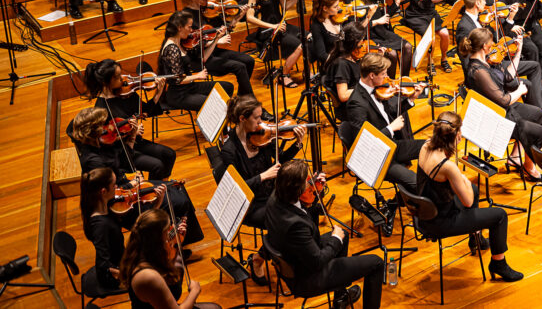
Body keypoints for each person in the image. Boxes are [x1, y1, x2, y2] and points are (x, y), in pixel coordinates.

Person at [415, 111, 525, 280]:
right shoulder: (447, 166)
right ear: (458, 134)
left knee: (473, 189)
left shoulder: (426, 145)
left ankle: (476, 238)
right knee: (500, 215)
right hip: (440, 222)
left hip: (425, 211)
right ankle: (498, 263)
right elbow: (468, 202)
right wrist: (462, 177)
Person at [70, 108, 204, 246]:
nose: (109, 126)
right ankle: (170, 247)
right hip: (121, 204)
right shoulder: (94, 162)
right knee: (179, 201)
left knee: (178, 189)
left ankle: (177, 241)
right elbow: (109, 195)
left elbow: (125, 164)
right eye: (104, 124)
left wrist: (132, 136)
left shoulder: (101, 144)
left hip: (127, 188)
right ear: (96, 130)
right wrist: (132, 184)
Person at [264, 159, 384, 308]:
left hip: (296, 257)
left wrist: (315, 192)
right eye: (307, 181)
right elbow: (317, 261)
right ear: (298, 191)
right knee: (376, 263)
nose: (310, 181)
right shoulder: (296, 225)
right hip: (308, 278)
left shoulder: (277, 196)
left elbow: (306, 218)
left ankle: (340, 298)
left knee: (344, 235)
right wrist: (335, 240)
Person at [217, 95, 306, 285]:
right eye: (257, 118)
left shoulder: (262, 136)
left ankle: (294, 258)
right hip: (250, 205)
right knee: (287, 221)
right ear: (242, 119)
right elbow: (235, 189)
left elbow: (281, 159)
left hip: (272, 196)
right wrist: (263, 176)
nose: (262, 122)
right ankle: (260, 260)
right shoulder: (230, 150)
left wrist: (297, 144)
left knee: (304, 209)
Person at [462, 28, 542, 180]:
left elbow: (508, 76)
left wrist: (519, 50)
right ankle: (528, 164)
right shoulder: (478, 71)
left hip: (505, 109)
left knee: (539, 114)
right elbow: (503, 99)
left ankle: (518, 158)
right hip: (495, 117)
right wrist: (520, 91)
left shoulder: (487, 61)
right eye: (491, 42)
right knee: (537, 130)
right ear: (484, 46)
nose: (494, 45)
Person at [343, 53, 427, 190]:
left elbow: (391, 114)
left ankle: (414, 197)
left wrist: (411, 99)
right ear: (371, 75)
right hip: (376, 157)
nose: (387, 78)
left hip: (391, 145)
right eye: (383, 74)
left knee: (430, 147)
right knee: (414, 180)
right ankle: (411, 200)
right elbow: (363, 142)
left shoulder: (379, 90)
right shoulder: (356, 104)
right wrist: (391, 128)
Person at [84, 59, 175, 179]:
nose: (122, 78)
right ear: (106, 82)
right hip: (121, 151)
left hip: (136, 142)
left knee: (169, 154)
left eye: (120, 74)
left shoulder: (126, 93)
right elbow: (105, 141)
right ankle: (153, 191)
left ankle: (162, 186)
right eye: (117, 77)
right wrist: (131, 133)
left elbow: (145, 111)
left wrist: (158, 93)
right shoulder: (101, 109)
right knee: (157, 165)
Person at [81, 167, 162, 294]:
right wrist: (132, 274)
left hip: (123, 258)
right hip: (116, 275)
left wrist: (157, 204)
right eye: (114, 185)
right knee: (157, 274)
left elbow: (139, 226)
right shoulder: (100, 226)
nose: (118, 187)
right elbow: (104, 265)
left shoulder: (108, 206)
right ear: (103, 191)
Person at [119, 209, 218, 309]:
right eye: (167, 231)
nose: (171, 232)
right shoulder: (147, 276)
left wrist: (177, 242)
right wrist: (194, 291)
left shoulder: (142, 250)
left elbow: (173, 270)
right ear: (158, 239)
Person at [180, 0, 255, 97]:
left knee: (249, 60)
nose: (208, 2)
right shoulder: (185, 17)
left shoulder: (206, 12)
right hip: (199, 58)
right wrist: (216, 40)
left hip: (213, 51)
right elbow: (191, 46)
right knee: (239, 67)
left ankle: (242, 95)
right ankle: (248, 100)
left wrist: (239, 17)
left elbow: (224, 29)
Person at [344, 0, 413, 77]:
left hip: (382, 32)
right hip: (368, 36)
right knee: (392, 54)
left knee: (408, 47)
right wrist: (376, 22)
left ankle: (404, 82)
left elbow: (387, 15)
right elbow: (355, 29)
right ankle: (389, 85)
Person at [157, 11, 232, 110]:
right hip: (179, 95)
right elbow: (177, 79)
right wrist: (197, 76)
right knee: (214, 104)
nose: (191, 30)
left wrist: (216, 39)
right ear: (180, 28)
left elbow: (203, 58)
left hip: (190, 87)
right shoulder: (172, 49)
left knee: (227, 87)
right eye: (189, 27)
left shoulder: (181, 43)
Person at [246, 0, 304, 85]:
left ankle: (307, 71)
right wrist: (273, 26)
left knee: (308, 37)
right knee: (300, 45)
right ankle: (284, 75)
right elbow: (249, 17)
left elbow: (285, 7)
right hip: (268, 30)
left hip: (282, 25)